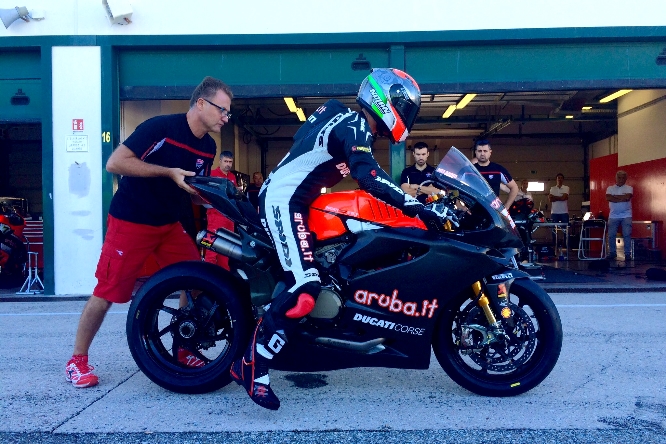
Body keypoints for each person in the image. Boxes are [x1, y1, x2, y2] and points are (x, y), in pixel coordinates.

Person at [230, 68, 444, 411]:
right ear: (387, 101)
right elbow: (370, 178)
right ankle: (253, 364)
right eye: (406, 107)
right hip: (284, 201)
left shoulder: (339, 114)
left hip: (297, 199)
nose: (407, 116)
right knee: (305, 289)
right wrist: (418, 208)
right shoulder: (355, 126)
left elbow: (316, 149)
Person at [65, 76, 233, 388]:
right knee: (107, 292)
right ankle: (77, 360)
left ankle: (183, 350)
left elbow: (189, 187)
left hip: (168, 225)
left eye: (227, 112)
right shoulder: (160, 129)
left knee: (196, 281)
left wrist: (212, 200)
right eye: (222, 110)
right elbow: (115, 163)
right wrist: (167, 172)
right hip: (131, 221)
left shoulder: (208, 146)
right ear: (201, 104)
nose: (226, 117)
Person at [204, 150, 241, 270]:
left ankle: (224, 281)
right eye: (225, 161)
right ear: (220, 161)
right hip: (215, 216)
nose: (228, 164)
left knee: (226, 250)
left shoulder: (232, 176)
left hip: (230, 217)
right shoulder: (211, 174)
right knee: (211, 249)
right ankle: (208, 279)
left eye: (230, 162)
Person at [472, 140, 519, 208]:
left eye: (485, 151)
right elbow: (455, 186)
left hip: (492, 211)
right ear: (475, 152)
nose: (482, 154)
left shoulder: (498, 170)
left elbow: (514, 187)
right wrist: (459, 206)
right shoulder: (469, 170)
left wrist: (506, 207)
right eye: (479, 151)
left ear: (490, 152)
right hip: (472, 211)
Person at [606, 170, 633, 260]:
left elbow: (627, 197)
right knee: (611, 235)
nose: (621, 179)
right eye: (619, 177)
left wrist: (615, 197)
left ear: (626, 179)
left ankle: (627, 254)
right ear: (616, 178)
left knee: (627, 234)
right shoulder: (610, 188)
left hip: (626, 215)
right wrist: (622, 197)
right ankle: (612, 253)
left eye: (623, 178)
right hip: (613, 215)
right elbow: (608, 198)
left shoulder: (629, 188)